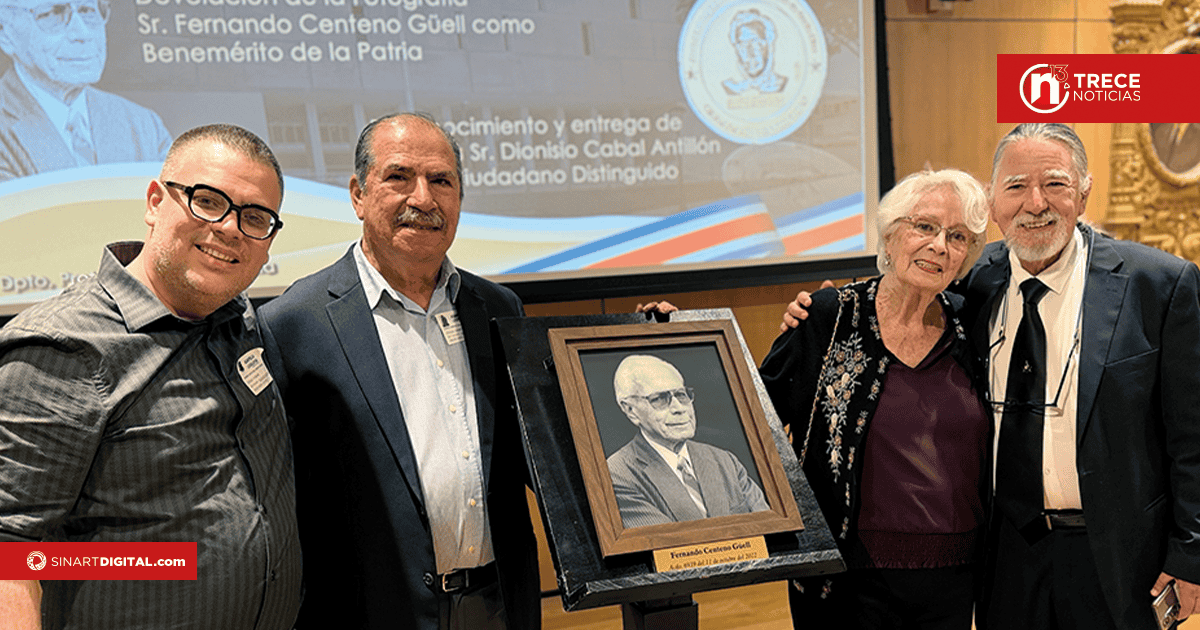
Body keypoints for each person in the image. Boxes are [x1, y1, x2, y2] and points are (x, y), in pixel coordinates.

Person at [784, 123, 1200, 629]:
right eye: (1017, 187)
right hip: (1005, 554)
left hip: (1116, 553)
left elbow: (1192, 435)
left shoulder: (1157, 284)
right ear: (992, 198)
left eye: (1055, 184)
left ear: (1084, 192)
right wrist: (821, 312)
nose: (1035, 203)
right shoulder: (978, 284)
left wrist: (1190, 556)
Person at [0, 124, 301, 629]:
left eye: (255, 218)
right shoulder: (63, 346)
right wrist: (152, 562)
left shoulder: (242, 325)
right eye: (207, 201)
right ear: (155, 202)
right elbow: (13, 553)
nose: (230, 228)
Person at [258, 112, 538, 630]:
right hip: (368, 612)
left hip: (497, 604)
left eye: (441, 181)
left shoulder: (498, 308)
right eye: (399, 177)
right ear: (358, 194)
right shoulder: (292, 324)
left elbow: (541, 450)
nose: (423, 199)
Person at [760, 168, 991, 629]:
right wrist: (671, 337)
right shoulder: (827, 317)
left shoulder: (976, 328)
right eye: (924, 226)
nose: (939, 245)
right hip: (845, 578)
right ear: (889, 236)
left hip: (953, 576)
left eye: (958, 236)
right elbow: (750, 415)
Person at [0, 0, 171, 181]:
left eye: (87, 10)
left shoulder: (144, 125)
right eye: (53, 13)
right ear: (6, 35)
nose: (82, 33)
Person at [607, 354, 770, 529]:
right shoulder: (617, 475)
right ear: (631, 410)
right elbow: (673, 547)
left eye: (681, 395)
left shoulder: (724, 460)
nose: (679, 408)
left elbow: (769, 528)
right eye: (659, 399)